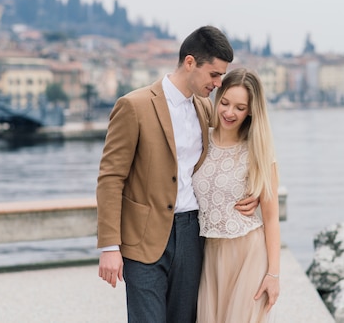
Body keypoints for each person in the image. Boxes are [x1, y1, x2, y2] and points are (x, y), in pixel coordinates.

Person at [96, 26, 259, 323]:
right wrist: (109, 246)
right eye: (214, 74)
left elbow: (234, 153)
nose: (218, 83)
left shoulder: (205, 109)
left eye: (222, 75)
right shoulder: (134, 106)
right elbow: (110, 178)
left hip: (192, 235)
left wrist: (257, 191)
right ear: (189, 62)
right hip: (143, 239)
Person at [192, 67, 281, 323]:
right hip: (209, 255)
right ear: (218, 98)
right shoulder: (200, 140)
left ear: (251, 110)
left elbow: (271, 218)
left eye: (240, 108)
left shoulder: (258, 151)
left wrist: (273, 275)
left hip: (248, 254)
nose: (230, 113)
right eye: (226, 103)